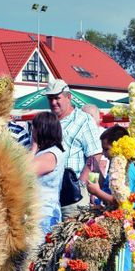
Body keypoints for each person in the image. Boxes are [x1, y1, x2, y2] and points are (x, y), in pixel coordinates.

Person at [86, 126, 135, 271]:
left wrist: (97, 192)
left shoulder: (126, 170)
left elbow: (121, 202)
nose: (105, 155)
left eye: (107, 149)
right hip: (114, 223)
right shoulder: (117, 166)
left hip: (123, 227)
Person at [41, 79, 102, 219]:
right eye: (50, 98)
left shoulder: (83, 120)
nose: (53, 102)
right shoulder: (47, 121)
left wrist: (82, 183)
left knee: (71, 237)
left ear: (69, 97)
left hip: (72, 194)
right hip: (48, 193)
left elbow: (95, 155)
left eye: (57, 98)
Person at [30, 112, 66, 235]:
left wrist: (33, 147)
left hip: (44, 214)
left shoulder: (51, 154)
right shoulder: (47, 152)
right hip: (39, 212)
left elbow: (25, 171)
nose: (32, 132)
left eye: (34, 128)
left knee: (36, 252)